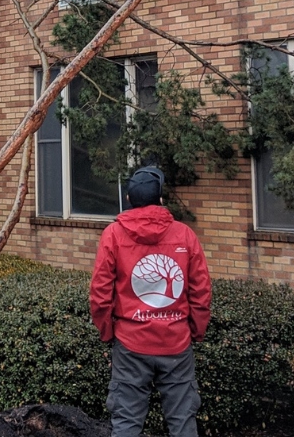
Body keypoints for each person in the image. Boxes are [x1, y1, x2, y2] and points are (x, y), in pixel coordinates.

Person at [89, 166, 212, 437]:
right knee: (182, 423)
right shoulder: (184, 235)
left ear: (130, 199)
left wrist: (109, 333)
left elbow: (100, 293)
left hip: (131, 344)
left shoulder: (113, 235)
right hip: (176, 343)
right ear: (160, 199)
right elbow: (201, 292)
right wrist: (196, 331)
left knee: (126, 425)